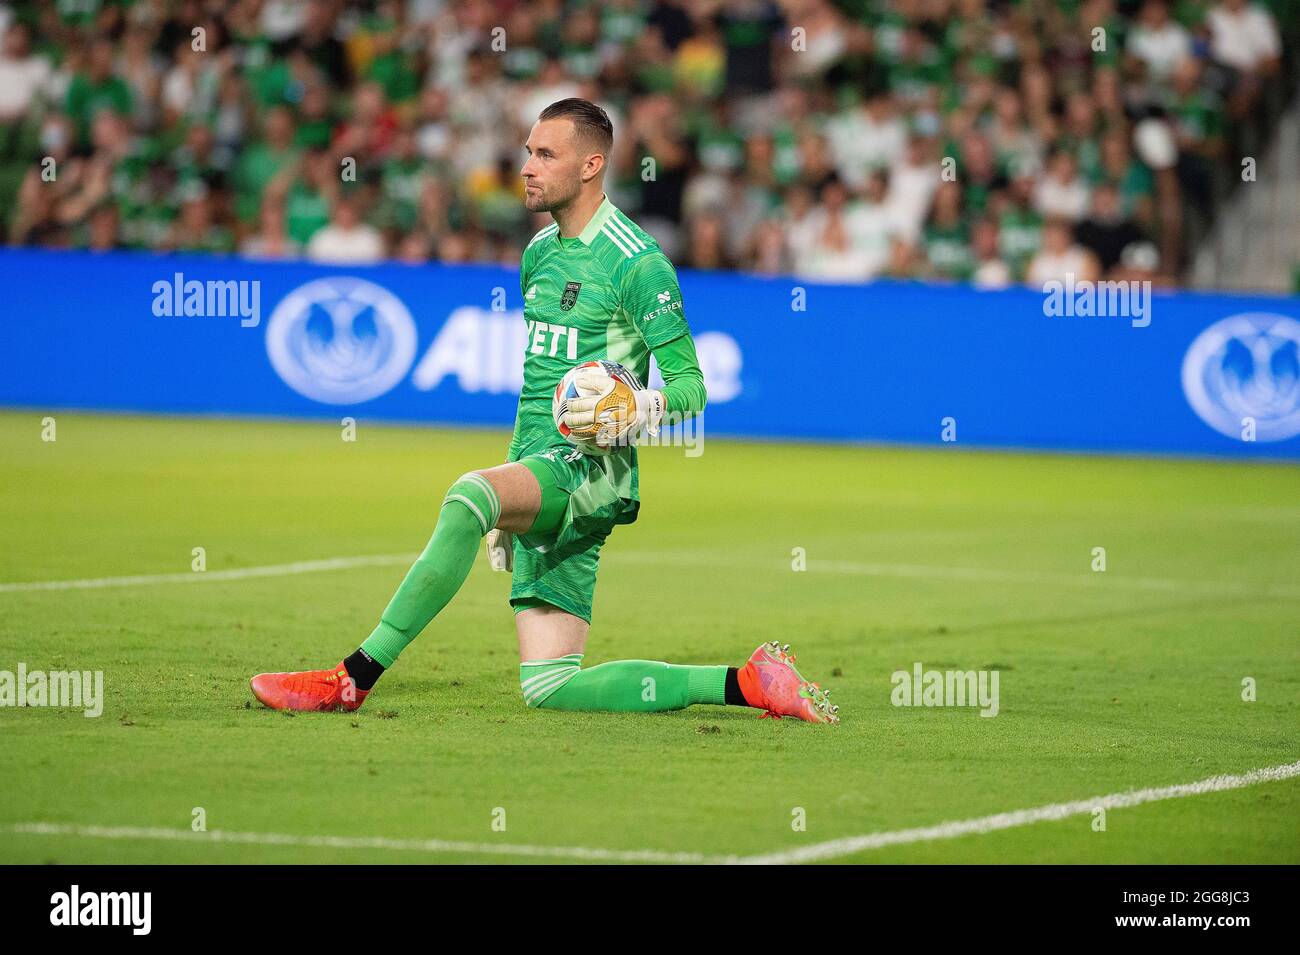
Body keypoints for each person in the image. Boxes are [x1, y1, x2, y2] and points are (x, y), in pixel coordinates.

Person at [249, 98, 838, 724]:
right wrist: (514, 490)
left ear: (591, 165)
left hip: (591, 472)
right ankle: (748, 682)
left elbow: (693, 389)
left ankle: (353, 677)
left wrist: (639, 405)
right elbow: (536, 390)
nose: (526, 167)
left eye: (544, 154)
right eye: (528, 151)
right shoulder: (539, 255)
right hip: (542, 464)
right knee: (551, 685)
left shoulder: (637, 262)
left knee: (467, 496)